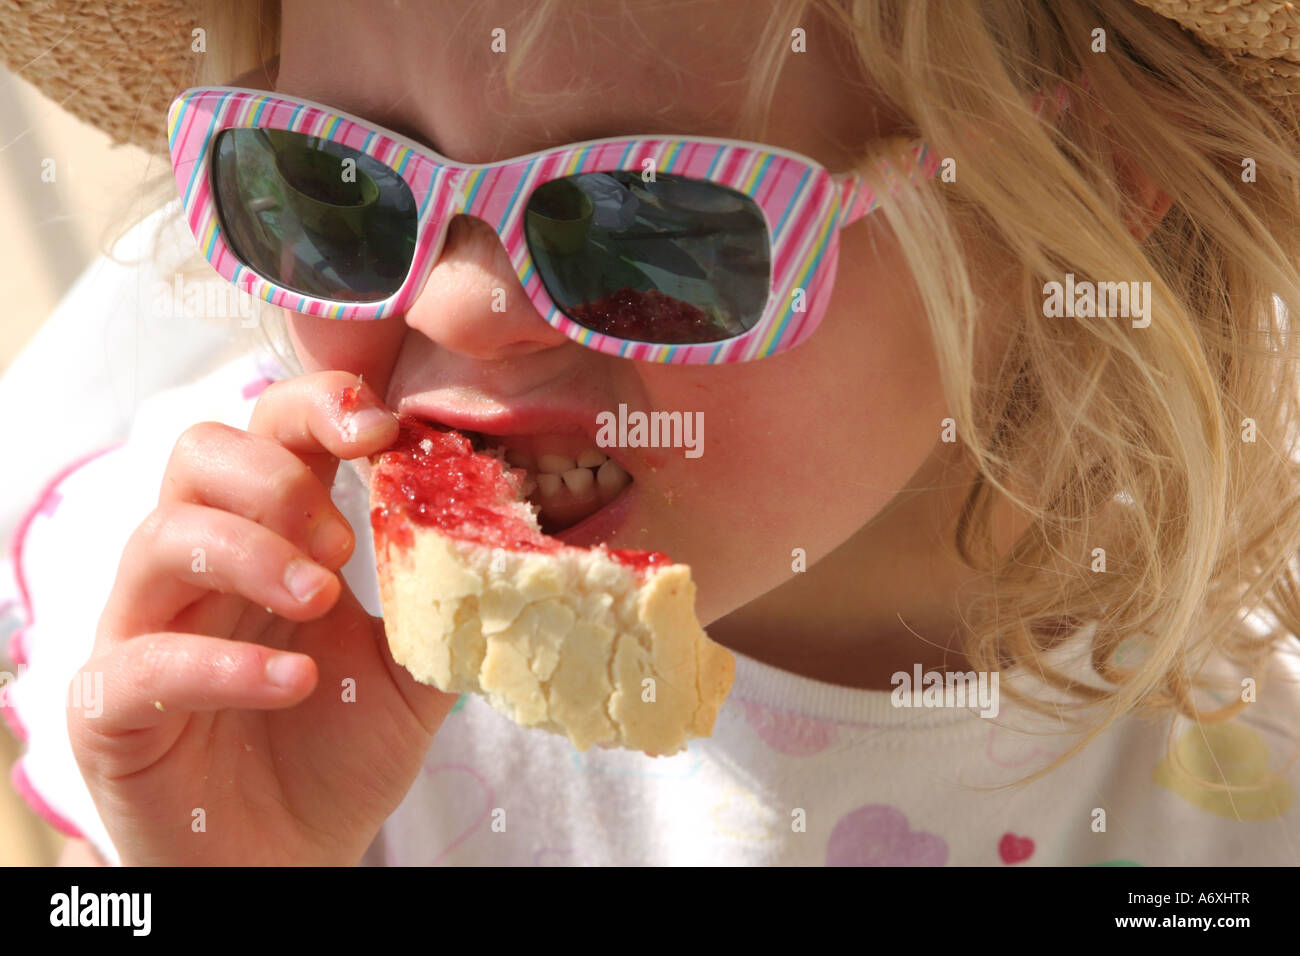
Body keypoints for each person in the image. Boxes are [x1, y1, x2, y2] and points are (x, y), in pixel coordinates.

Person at [2, 0, 1298, 866]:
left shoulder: (1247, 774)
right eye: (338, 185)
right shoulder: (241, 615)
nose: (457, 301)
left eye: (646, 220)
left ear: (1063, 201)